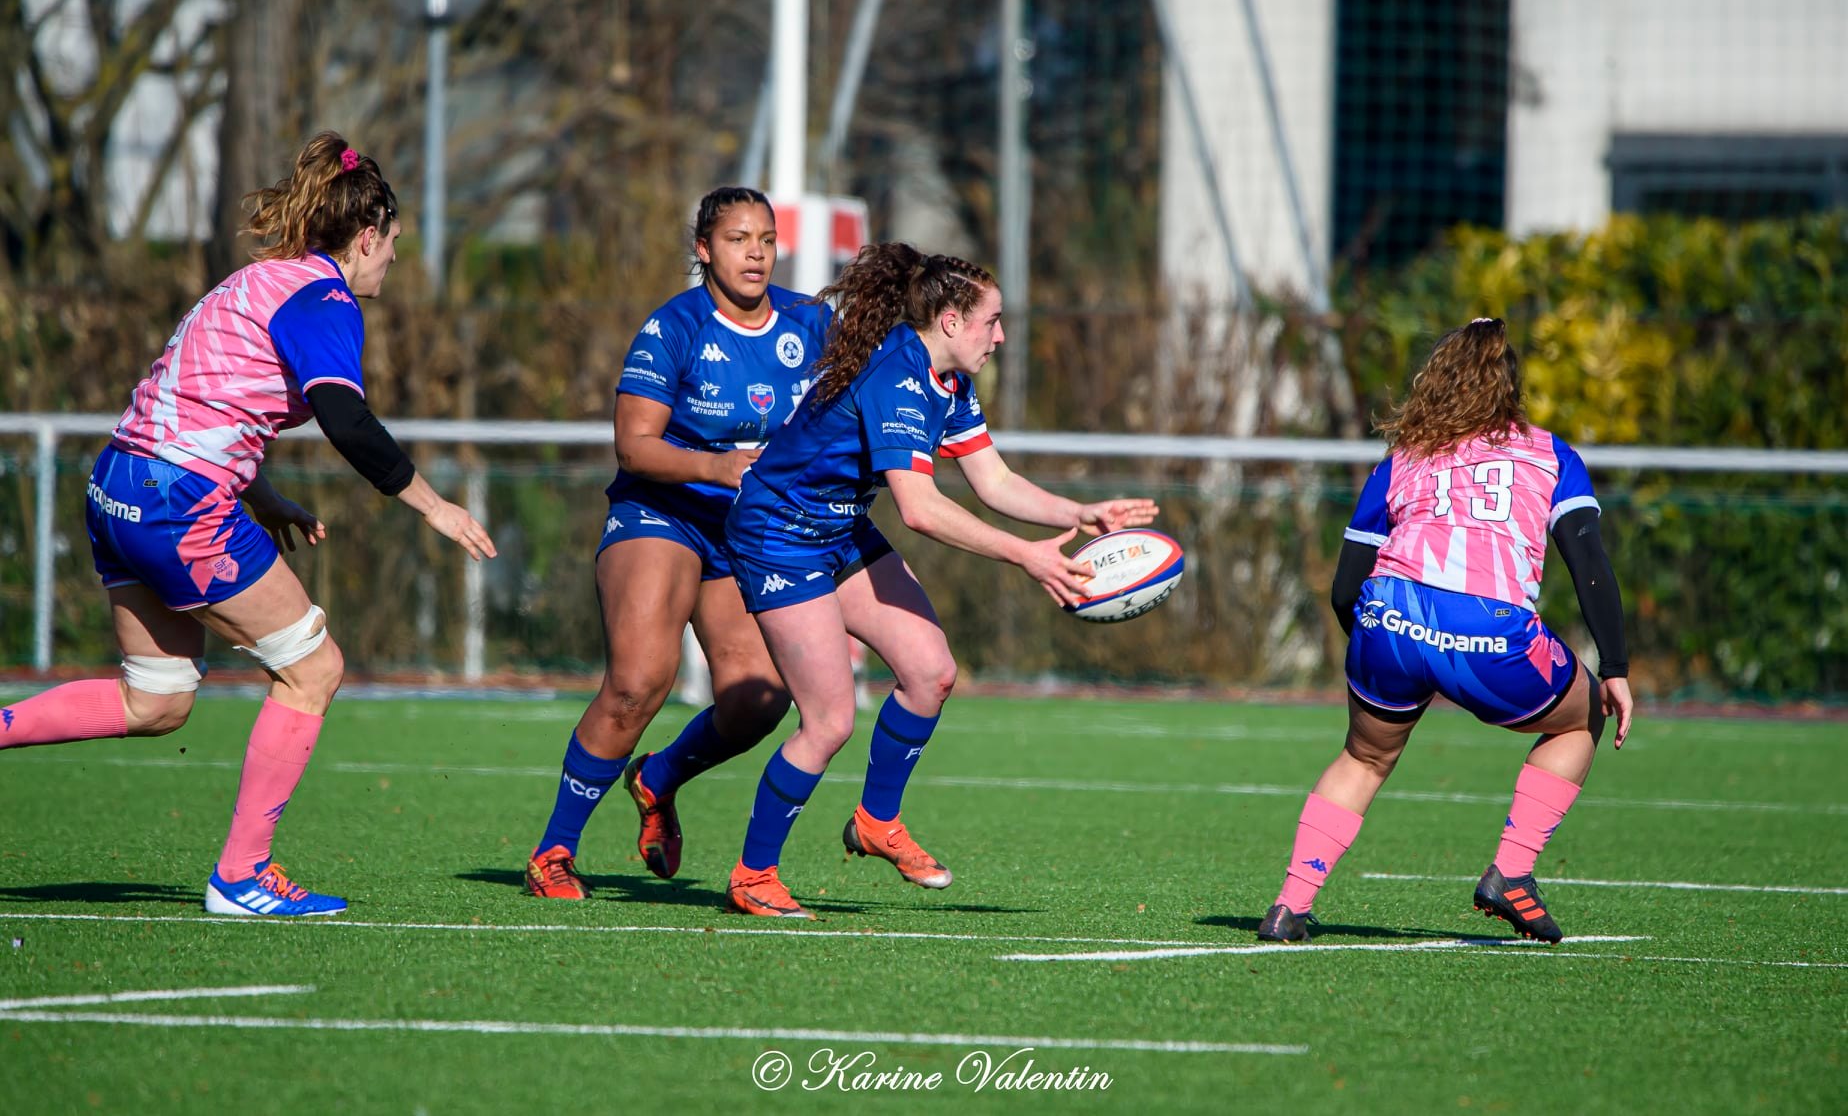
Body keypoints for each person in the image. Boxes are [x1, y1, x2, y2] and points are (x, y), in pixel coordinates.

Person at [1, 131, 495, 916]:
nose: (395, 261)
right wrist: (433, 506)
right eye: (394, 244)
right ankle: (242, 876)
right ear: (365, 237)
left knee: (155, 702)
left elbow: (203, 399)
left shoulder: (258, 282)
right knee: (314, 669)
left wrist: (261, 495)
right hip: (178, 503)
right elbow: (347, 417)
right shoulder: (325, 299)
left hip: (118, 487)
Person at [720, 242, 1160, 918]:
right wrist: (1026, 555)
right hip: (777, 536)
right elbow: (921, 511)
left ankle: (875, 822)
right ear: (951, 322)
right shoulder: (896, 376)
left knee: (931, 672)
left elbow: (995, 481)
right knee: (831, 719)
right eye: (992, 321)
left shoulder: (949, 380)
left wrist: (1080, 512)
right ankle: (753, 875)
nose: (1002, 335)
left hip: (836, 530)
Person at [1256, 317, 1634, 945]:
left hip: (1387, 618)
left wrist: (1384, 642)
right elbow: (1589, 565)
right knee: (1580, 714)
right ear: (1509, 386)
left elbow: (1345, 586)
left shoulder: (1405, 454)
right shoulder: (1551, 453)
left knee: (1365, 756)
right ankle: (1512, 873)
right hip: (1490, 632)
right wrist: (1616, 667)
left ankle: (1288, 907)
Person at [523, 187, 832, 899]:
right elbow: (634, 447)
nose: (754, 252)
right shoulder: (674, 328)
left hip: (745, 529)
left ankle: (658, 778)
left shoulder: (812, 323)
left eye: (765, 238)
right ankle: (554, 851)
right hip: (661, 511)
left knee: (761, 698)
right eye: (736, 238)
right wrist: (718, 466)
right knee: (639, 681)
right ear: (703, 249)